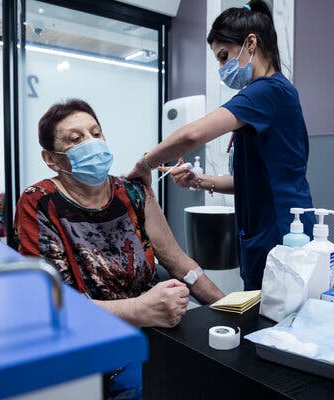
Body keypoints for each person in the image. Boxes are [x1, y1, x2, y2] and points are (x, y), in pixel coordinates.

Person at [14, 99, 224, 399]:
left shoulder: (132, 192)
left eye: (96, 133)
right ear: (51, 158)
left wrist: (228, 307)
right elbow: (52, 305)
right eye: (76, 139)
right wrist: (140, 310)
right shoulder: (39, 203)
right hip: (94, 343)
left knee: (219, 373)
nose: (92, 143)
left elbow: (179, 263)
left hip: (158, 327)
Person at [128, 0, 315, 290]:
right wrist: (198, 181)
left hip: (279, 231)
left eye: (224, 56)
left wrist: (144, 164)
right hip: (268, 227)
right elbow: (248, 181)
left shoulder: (267, 91)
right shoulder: (271, 94)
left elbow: (192, 135)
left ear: (251, 43)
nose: (221, 67)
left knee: (273, 321)